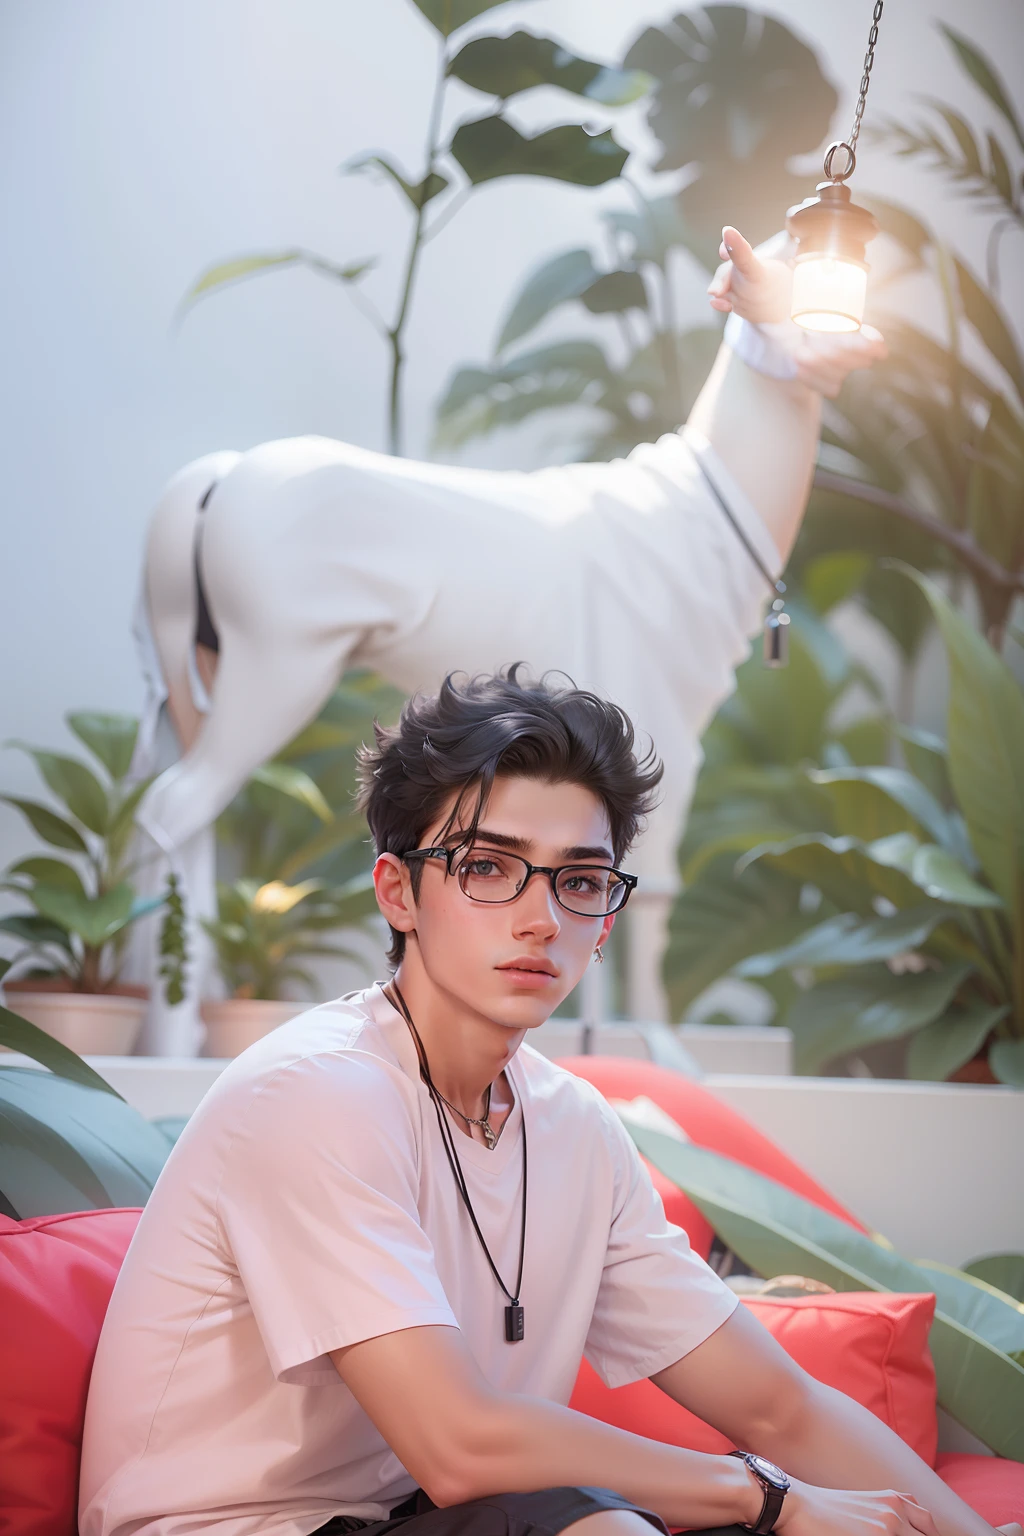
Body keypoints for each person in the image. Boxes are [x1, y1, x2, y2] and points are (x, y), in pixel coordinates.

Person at [81, 669, 1018, 1536]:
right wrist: (765, 1496)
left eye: (579, 880)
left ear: (607, 915)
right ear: (398, 891)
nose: (543, 918)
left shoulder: (571, 1126)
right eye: (489, 868)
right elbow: (461, 1445)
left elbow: (780, 1408)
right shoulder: (316, 1092)